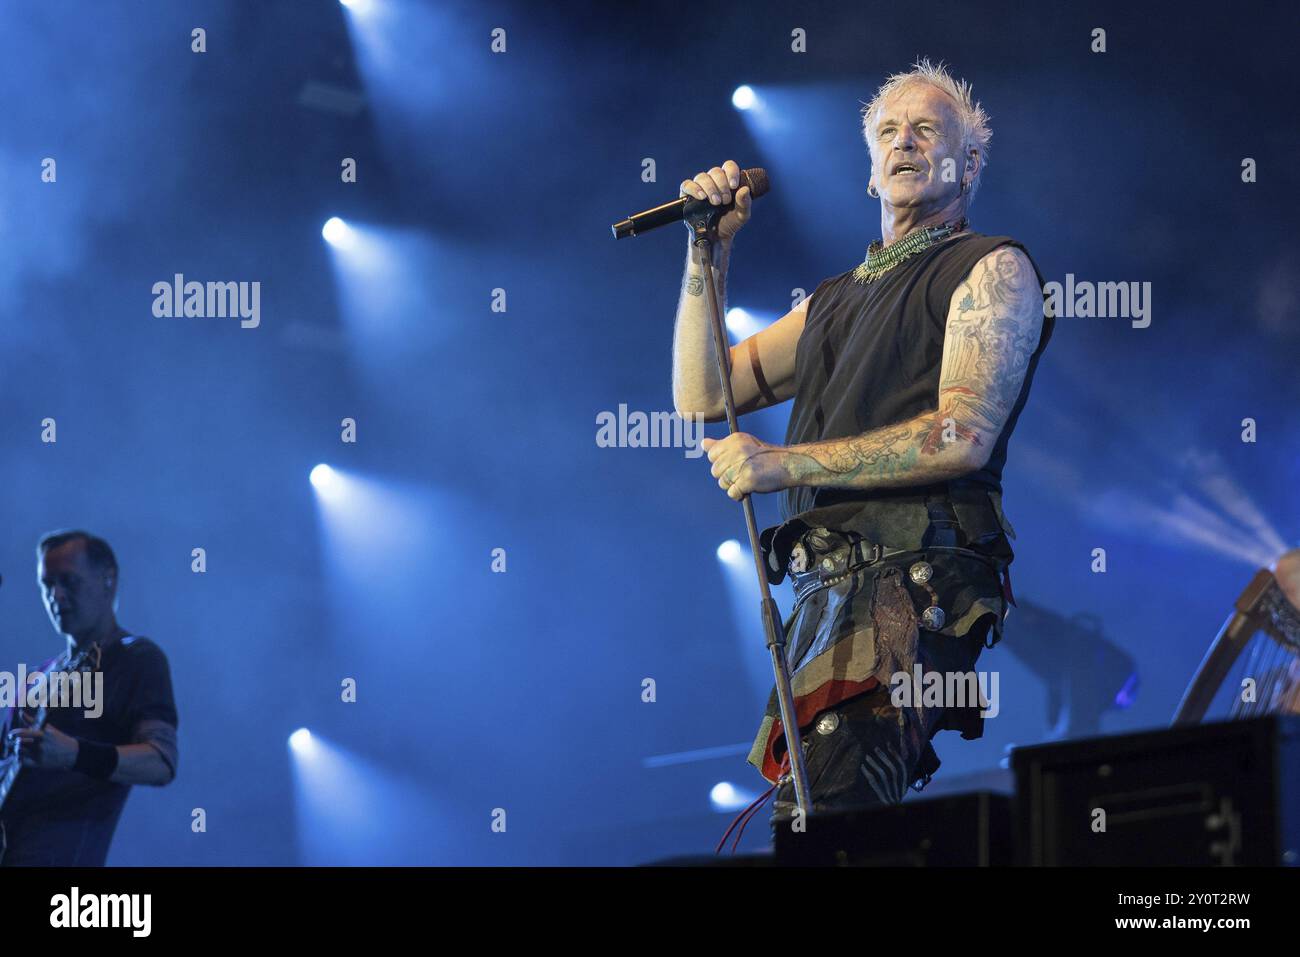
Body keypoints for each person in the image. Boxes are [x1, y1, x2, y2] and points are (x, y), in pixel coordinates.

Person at [669, 59, 1054, 828]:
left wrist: (782, 463)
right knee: (814, 816)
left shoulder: (991, 268)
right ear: (871, 171)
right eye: (887, 132)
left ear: (968, 163)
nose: (903, 143)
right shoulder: (833, 301)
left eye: (925, 130)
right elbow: (702, 394)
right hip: (823, 598)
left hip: (913, 583)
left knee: (833, 807)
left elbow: (963, 436)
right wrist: (707, 251)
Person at [0, 530, 178, 865]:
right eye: (46, 584)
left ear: (108, 579)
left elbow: (161, 762)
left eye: (69, 581)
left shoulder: (136, 659)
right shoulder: (35, 680)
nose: (56, 596)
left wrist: (73, 754)